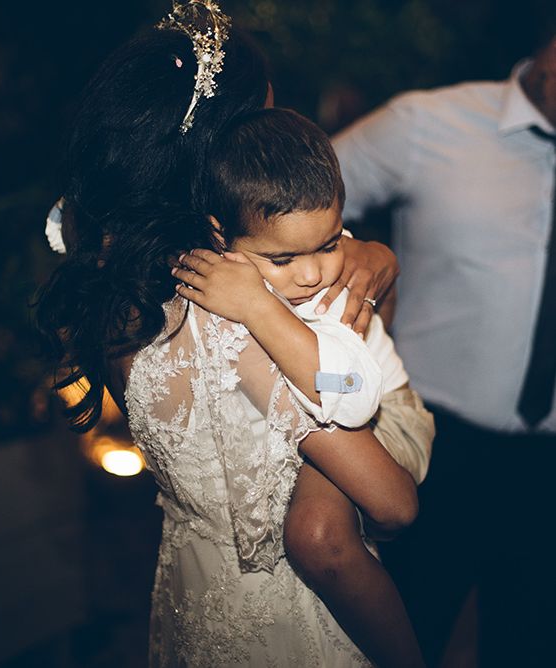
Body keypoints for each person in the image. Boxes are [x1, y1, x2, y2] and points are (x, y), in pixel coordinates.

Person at [36, 2, 413, 665]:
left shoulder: (113, 295)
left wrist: (372, 257)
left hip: (190, 596)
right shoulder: (250, 319)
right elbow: (388, 501)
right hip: (297, 624)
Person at [173, 106, 433, 665]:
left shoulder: (324, 290)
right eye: (284, 259)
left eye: (330, 243)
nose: (313, 273)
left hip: (389, 411)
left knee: (316, 535)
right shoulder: (233, 257)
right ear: (220, 235)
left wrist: (259, 307)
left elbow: (354, 392)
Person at [331, 29, 556, 667]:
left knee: (533, 648)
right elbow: (280, 204)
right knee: (402, 637)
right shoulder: (427, 123)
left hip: (551, 473)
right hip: (435, 450)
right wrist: (366, 256)